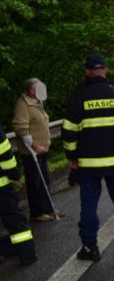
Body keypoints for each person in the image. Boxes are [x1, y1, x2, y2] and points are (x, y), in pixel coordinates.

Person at [62, 55, 114, 261]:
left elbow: (68, 132)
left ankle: (90, 248)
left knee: (89, 206)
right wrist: (112, 89)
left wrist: (72, 158)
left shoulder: (78, 97)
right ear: (106, 70)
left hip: (89, 165)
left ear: (87, 72)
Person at [12, 78, 61, 221]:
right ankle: (37, 213)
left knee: (44, 180)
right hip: (32, 152)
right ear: (32, 91)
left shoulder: (37, 102)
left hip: (42, 149)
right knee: (35, 183)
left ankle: (48, 209)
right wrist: (35, 146)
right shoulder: (23, 105)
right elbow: (20, 128)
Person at [0, 123, 38, 266]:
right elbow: (4, 153)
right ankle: (27, 255)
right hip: (2, 187)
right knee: (15, 220)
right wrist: (14, 175)